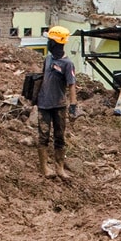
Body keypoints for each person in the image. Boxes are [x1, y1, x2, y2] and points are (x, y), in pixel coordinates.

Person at [37, 25, 78, 180]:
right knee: (43, 136)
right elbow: (42, 77)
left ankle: (59, 168)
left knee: (59, 137)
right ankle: (45, 167)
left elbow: (71, 84)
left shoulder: (67, 64)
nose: (48, 43)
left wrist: (73, 104)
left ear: (56, 43)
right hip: (43, 104)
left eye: (50, 41)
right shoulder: (47, 59)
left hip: (59, 105)